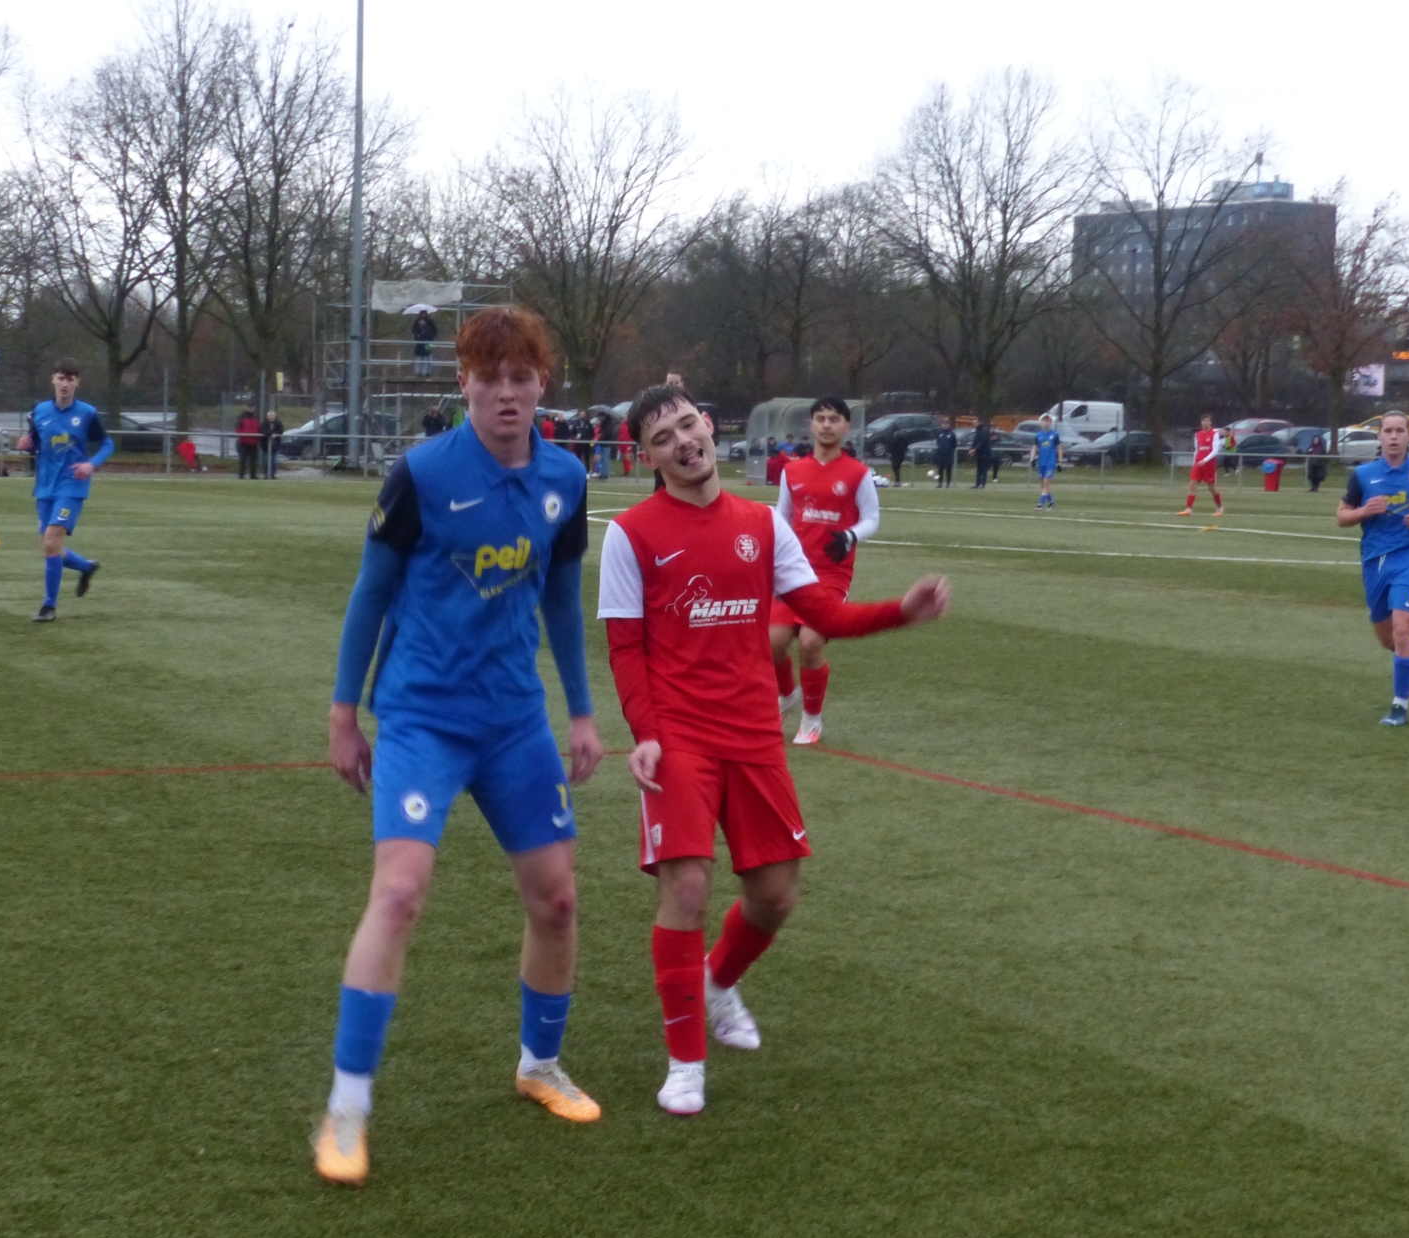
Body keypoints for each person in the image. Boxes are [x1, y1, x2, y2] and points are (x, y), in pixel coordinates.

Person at [600, 383, 948, 1116]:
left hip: (754, 733)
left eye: (688, 426)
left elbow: (823, 613)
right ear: (648, 456)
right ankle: (685, 1063)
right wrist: (647, 735)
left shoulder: (762, 524)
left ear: (708, 427)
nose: (683, 442)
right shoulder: (629, 534)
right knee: (686, 889)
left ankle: (717, 982)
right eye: (663, 438)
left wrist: (901, 612)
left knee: (776, 896)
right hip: (680, 736)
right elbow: (626, 650)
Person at [316, 305, 602, 1187]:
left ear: (542, 384)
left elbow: (560, 598)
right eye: (489, 378)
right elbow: (371, 593)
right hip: (423, 718)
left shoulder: (566, 478)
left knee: (557, 900)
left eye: (521, 378)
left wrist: (582, 712)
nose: (506, 393)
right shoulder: (422, 474)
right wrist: (343, 714)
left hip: (514, 721)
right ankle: (347, 1109)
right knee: (400, 893)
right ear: (464, 384)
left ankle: (539, 1066)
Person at [768, 397, 883, 746]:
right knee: (770, 643)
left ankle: (811, 719)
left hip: (832, 574)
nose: (827, 425)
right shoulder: (792, 471)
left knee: (810, 641)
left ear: (846, 426)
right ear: (811, 425)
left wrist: (850, 535)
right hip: (793, 571)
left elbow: (872, 519)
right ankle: (787, 695)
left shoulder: (858, 473)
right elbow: (782, 517)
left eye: (834, 419)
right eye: (820, 418)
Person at [1337, 411, 1409, 726]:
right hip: (1374, 561)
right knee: (1389, 640)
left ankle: (1399, 707)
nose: (1394, 436)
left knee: (1402, 630)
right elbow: (1342, 517)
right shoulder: (1363, 475)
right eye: (1388, 431)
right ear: (1380, 436)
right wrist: (1363, 511)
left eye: (1400, 430)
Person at [16, 360, 112, 623]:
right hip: (45, 485)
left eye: (70, 379)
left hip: (72, 485)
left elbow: (108, 444)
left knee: (51, 541)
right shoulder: (40, 411)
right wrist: (27, 444)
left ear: (77, 383)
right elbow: (36, 442)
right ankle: (86, 567)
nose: (65, 384)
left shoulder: (87, 413)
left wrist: (91, 464)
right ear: (53, 380)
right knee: (50, 548)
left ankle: (49, 606)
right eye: (61, 378)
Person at [1181, 413, 1224, 515]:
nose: (1205, 423)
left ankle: (1220, 508)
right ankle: (1189, 509)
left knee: (1211, 487)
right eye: (1203, 421)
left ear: (1210, 422)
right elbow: (1197, 450)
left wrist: (1205, 460)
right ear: (1201, 422)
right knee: (1192, 484)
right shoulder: (1197, 435)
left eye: (1207, 421)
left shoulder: (1214, 434)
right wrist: (1194, 463)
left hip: (1209, 464)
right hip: (1198, 464)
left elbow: (1215, 451)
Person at [1033, 415, 1061, 509]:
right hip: (1041, 463)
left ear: (1050, 423)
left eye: (1048, 421)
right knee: (1043, 485)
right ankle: (1052, 502)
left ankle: (1040, 504)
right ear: (1041, 422)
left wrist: (1060, 462)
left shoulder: (1054, 435)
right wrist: (1032, 458)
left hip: (1050, 462)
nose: (1046, 423)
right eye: (1044, 421)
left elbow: (1059, 448)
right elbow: (1035, 447)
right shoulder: (1038, 435)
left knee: (1046, 482)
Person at [235, 406, 261, 479]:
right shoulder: (241, 416)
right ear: (246, 408)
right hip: (244, 442)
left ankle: (253, 475)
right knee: (243, 460)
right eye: (249, 407)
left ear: (254, 408)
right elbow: (237, 428)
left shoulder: (256, 416)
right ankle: (241, 475)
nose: (250, 409)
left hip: (254, 442)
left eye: (252, 407)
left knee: (253, 460)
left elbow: (259, 428)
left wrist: (258, 439)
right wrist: (242, 436)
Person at [411, 309, 438, 376]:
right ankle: (418, 372)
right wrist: (419, 327)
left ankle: (427, 372)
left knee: (428, 357)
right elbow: (413, 331)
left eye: (424, 313)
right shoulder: (417, 322)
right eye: (422, 313)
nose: (423, 315)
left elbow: (434, 332)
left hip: (428, 342)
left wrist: (425, 326)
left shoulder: (430, 322)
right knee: (419, 357)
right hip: (419, 342)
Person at [933, 416, 957, 488]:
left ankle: (948, 484)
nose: (944, 425)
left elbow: (954, 444)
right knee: (940, 469)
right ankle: (940, 483)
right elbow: (938, 442)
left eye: (946, 424)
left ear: (948, 425)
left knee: (948, 469)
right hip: (940, 454)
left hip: (948, 455)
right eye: (943, 424)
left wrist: (949, 450)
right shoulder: (940, 433)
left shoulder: (951, 434)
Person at [263, 410, 285, 477]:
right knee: (267, 461)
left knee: (274, 461)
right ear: (267, 416)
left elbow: (281, 430)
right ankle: (267, 474)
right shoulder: (264, 423)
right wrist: (271, 434)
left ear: (275, 416)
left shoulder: (279, 423)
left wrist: (275, 434)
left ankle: (272, 474)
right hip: (266, 446)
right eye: (269, 416)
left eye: (272, 416)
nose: (270, 417)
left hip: (276, 446)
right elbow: (264, 430)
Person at [971, 420, 992, 488]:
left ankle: (982, 484)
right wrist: (972, 448)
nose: (973, 424)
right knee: (979, 468)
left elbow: (982, 441)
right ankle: (977, 484)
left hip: (985, 452)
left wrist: (975, 449)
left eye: (974, 423)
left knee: (984, 468)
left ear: (978, 423)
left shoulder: (984, 430)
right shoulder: (978, 430)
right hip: (979, 452)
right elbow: (975, 441)